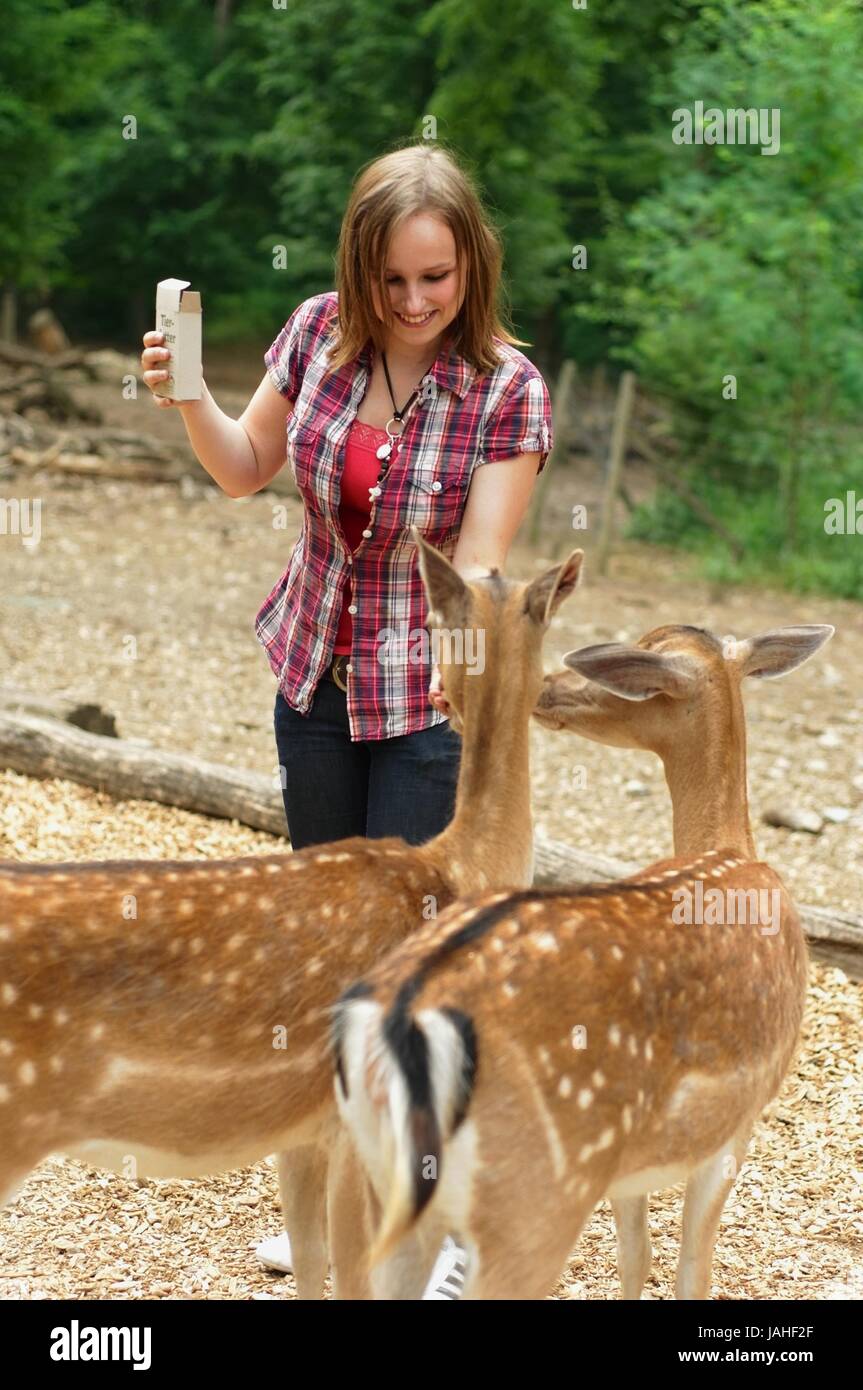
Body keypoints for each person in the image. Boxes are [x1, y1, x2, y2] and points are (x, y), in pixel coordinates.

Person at [141, 140, 553, 1299]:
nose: (416, 303)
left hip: (420, 706)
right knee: (328, 966)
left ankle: (442, 1224)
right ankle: (334, 1216)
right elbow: (242, 467)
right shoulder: (317, 332)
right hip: (312, 679)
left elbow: (473, 566)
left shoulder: (507, 392)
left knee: (414, 980)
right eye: (394, 281)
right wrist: (187, 396)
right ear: (358, 271)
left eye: (439, 277)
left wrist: (460, 686)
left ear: (470, 262)